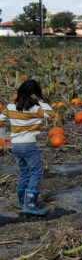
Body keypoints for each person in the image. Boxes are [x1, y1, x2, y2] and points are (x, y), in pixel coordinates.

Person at [0, 80, 57, 216]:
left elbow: (0, 121)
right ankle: (30, 205)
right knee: (36, 173)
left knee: (24, 172)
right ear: (35, 95)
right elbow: (52, 114)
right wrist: (40, 100)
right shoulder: (35, 109)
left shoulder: (10, 107)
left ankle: (21, 202)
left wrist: (4, 137)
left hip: (16, 146)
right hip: (29, 146)